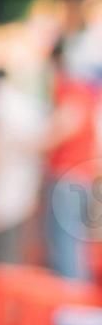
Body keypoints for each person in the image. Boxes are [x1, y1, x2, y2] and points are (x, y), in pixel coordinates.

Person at [43, 40, 101, 281]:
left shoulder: (72, 88)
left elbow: (66, 123)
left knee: (65, 246)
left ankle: (69, 307)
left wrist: (37, 142)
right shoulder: (88, 91)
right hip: (82, 174)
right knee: (75, 245)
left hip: (68, 175)